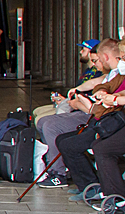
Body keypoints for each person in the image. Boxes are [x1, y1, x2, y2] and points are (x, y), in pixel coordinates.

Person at [37, 40, 118, 188]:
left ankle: (59, 173)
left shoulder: (117, 74)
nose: (94, 64)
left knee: (53, 128)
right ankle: (82, 182)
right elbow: (100, 84)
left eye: (96, 60)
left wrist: (78, 103)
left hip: (99, 119)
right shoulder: (112, 75)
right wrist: (78, 91)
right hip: (92, 113)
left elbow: (100, 108)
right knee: (45, 124)